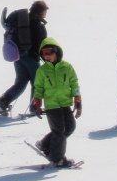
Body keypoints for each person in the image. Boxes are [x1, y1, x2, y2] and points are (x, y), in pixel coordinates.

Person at [32, 38, 81, 168]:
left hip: (65, 103)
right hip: (52, 105)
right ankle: (57, 159)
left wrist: (77, 99)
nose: (47, 56)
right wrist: (37, 102)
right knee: (59, 131)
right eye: (44, 54)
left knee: (70, 127)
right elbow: (38, 88)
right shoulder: (42, 71)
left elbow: (74, 83)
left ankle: (44, 144)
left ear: (57, 52)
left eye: (50, 52)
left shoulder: (67, 67)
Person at [0, 0, 48, 112]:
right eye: (44, 12)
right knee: (37, 83)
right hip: (32, 59)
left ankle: (3, 101)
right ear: (40, 12)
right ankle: (35, 107)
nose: (45, 14)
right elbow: (42, 45)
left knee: (20, 82)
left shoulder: (20, 22)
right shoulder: (38, 26)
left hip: (18, 56)